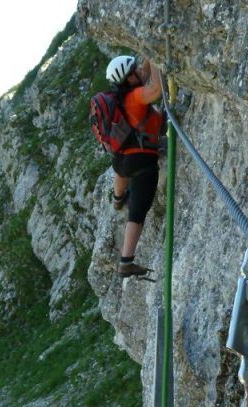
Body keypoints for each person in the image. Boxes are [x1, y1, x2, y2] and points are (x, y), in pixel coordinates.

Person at [105, 55, 163, 278]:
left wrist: (150, 54)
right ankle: (126, 262)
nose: (139, 69)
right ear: (129, 78)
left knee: (120, 170)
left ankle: (118, 198)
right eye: (134, 69)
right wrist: (159, 58)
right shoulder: (137, 96)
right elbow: (156, 89)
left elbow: (146, 73)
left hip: (122, 159)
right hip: (142, 162)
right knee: (137, 212)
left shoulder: (124, 97)